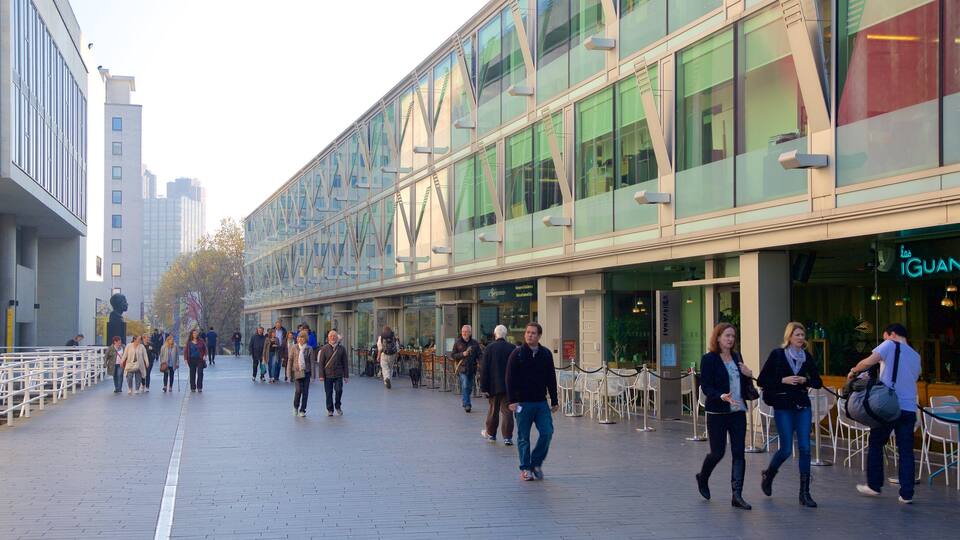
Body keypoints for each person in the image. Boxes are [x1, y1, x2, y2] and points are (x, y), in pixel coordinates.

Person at [847, 323, 921, 504]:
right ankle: (906, 494)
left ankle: (874, 485)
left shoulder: (890, 344)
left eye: (885, 336)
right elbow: (915, 377)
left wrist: (854, 371)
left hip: (888, 407)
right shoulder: (916, 355)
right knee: (905, 451)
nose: (884, 340)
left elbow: (868, 361)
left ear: (892, 334)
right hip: (909, 408)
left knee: (876, 442)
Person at [756, 322, 823, 507]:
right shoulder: (777, 355)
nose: (801, 338)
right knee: (786, 448)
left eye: (802, 335)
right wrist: (782, 380)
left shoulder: (806, 357)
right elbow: (762, 380)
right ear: (789, 337)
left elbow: (818, 382)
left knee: (805, 448)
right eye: (797, 335)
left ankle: (804, 493)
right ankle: (769, 474)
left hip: (802, 405)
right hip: (783, 405)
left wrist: (805, 380)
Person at [695, 323, 755, 510]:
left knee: (739, 453)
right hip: (717, 412)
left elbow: (743, 381)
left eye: (733, 336)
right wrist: (721, 395)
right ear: (718, 337)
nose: (730, 339)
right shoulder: (709, 359)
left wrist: (749, 374)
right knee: (718, 452)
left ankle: (737, 495)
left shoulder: (737, 357)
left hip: (737, 411)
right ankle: (703, 477)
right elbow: (706, 386)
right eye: (727, 335)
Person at [481, 324, 516, 446]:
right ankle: (507, 437)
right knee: (507, 412)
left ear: (495, 334)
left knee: (493, 410)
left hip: (493, 386)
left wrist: (484, 387)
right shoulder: (512, 348)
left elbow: (484, 369)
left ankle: (491, 434)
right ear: (505, 335)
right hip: (509, 386)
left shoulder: (489, 348)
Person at [318, 330, 349, 416]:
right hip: (327, 374)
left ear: (337, 337)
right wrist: (321, 375)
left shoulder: (342, 349)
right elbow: (321, 363)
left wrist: (346, 376)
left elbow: (345, 363)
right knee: (328, 393)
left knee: (339, 390)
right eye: (331, 336)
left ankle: (338, 406)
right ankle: (330, 409)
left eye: (334, 336)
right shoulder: (324, 348)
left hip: (338, 374)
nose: (333, 337)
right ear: (328, 338)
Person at [451, 325, 481, 413]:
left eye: (466, 331)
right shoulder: (457, 343)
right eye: (463, 331)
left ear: (470, 333)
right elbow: (453, 355)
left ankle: (465, 401)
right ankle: (467, 404)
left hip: (472, 368)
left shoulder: (475, 343)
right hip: (462, 368)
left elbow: (479, 354)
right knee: (465, 385)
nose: (464, 333)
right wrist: (462, 354)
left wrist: (481, 362)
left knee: (469, 386)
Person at [288, 332, 314, 417]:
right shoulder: (294, 347)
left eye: (302, 337)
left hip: (306, 372)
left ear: (306, 339)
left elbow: (312, 363)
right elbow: (290, 360)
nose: (300, 339)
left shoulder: (309, 348)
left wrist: (313, 376)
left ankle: (302, 410)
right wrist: (288, 374)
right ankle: (295, 406)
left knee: (305, 392)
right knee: (298, 390)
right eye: (299, 337)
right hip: (297, 372)